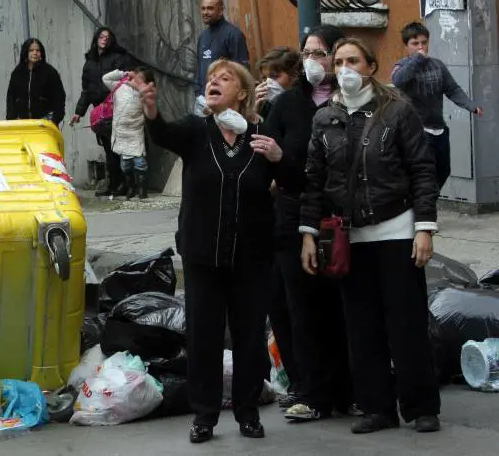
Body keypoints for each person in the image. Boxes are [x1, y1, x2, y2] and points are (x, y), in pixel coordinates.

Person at [142, 59, 300, 443]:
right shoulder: (197, 130)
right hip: (202, 256)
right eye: (211, 78)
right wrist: (151, 110)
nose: (214, 82)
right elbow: (163, 134)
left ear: (242, 93)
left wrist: (279, 158)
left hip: (252, 257)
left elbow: (296, 183)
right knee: (204, 337)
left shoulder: (261, 134)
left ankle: (248, 412)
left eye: (224, 78)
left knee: (249, 337)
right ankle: (204, 416)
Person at [300, 38, 441, 435]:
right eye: (339, 62)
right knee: (362, 328)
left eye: (353, 61)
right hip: (351, 237)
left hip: (397, 229)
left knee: (406, 323)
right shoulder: (325, 118)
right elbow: (314, 179)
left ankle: (421, 406)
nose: (345, 68)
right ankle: (377, 408)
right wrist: (308, 233)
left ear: (371, 67)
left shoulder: (397, 111)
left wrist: (424, 227)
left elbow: (422, 169)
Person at [263, 26, 355, 422]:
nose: (312, 61)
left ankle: (349, 392)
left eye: (320, 53)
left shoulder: (352, 102)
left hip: (343, 219)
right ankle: (312, 391)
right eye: (307, 53)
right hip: (293, 217)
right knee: (301, 309)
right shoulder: (286, 105)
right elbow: (269, 161)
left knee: (344, 309)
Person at [391, 21, 483, 189]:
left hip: (439, 128)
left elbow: (452, 89)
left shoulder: (437, 65)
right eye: (415, 43)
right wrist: (418, 60)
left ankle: (427, 199)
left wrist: (470, 106)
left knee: (444, 170)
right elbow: (398, 80)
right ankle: (421, 200)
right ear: (406, 47)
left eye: (424, 42)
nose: (421, 47)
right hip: (417, 130)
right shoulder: (401, 66)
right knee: (423, 172)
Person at [71, 27, 132, 197]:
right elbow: (86, 90)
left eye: (108, 37)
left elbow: (124, 82)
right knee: (108, 148)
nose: (104, 39)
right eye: (101, 36)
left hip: (116, 108)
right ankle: (113, 184)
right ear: (96, 39)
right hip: (100, 112)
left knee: (120, 147)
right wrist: (79, 112)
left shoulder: (118, 58)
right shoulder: (89, 62)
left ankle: (126, 184)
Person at [101, 65, 155, 200]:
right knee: (125, 165)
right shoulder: (119, 86)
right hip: (121, 132)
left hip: (135, 132)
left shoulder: (144, 93)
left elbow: (149, 113)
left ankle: (142, 189)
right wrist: (124, 73)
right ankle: (131, 187)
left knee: (140, 162)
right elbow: (106, 78)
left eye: (141, 79)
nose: (137, 80)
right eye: (136, 76)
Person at [194, 0, 249, 97]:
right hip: (203, 98)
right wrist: (198, 93)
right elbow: (199, 68)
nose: (205, 12)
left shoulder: (233, 34)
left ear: (221, 10)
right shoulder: (203, 36)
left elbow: (242, 70)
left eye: (210, 8)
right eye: (203, 8)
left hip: (225, 98)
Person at [6, 38, 66, 125]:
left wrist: (55, 119)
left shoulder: (50, 72)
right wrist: (11, 118)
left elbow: (60, 97)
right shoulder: (17, 72)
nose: (35, 53)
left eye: (38, 50)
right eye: (31, 50)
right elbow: (11, 97)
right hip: (22, 122)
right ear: (26, 52)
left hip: (45, 121)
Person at [254, 46, 302, 120]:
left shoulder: (306, 104)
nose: (268, 82)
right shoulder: (265, 106)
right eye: (264, 78)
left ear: (294, 75)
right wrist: (254, 113)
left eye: (275, 76)